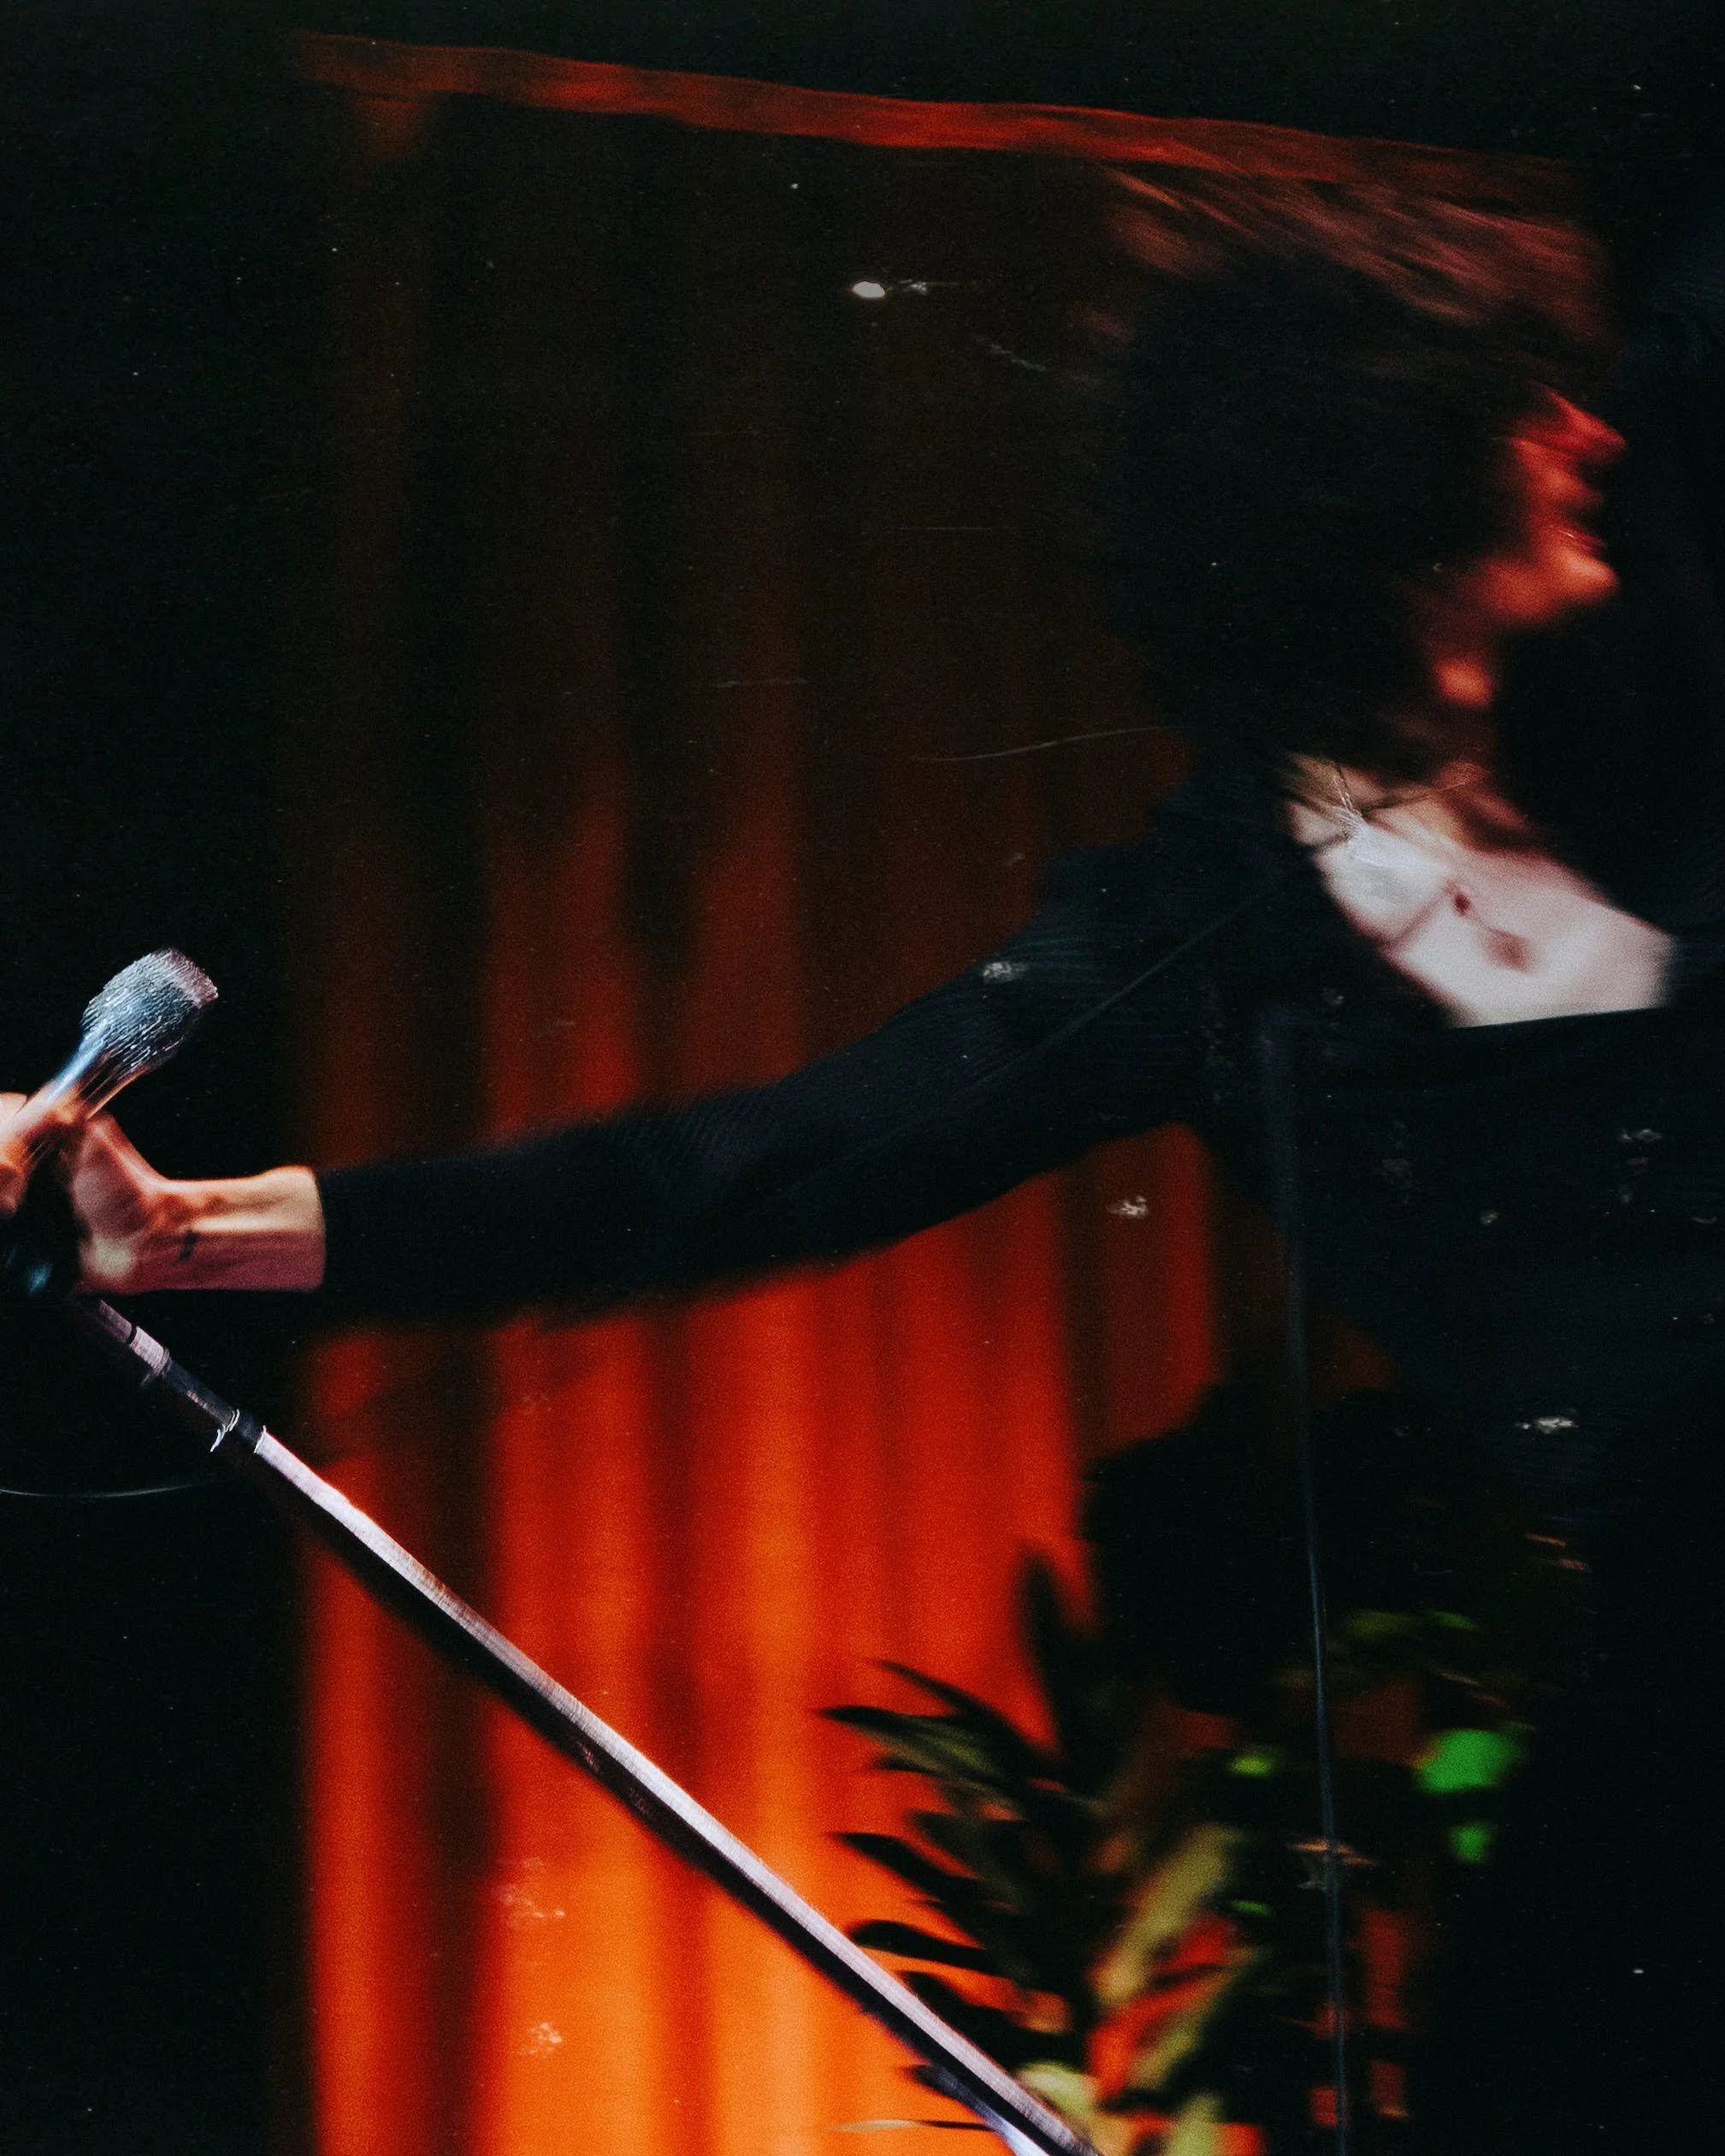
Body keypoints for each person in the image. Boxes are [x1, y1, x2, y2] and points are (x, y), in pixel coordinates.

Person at [5, 177, 1724, 2151]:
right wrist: (175, 1232)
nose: (1583, 431)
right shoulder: (1195, 946)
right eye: (1516, 412)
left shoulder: (1663, 665)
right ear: (1382, 510)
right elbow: (733, 1172)